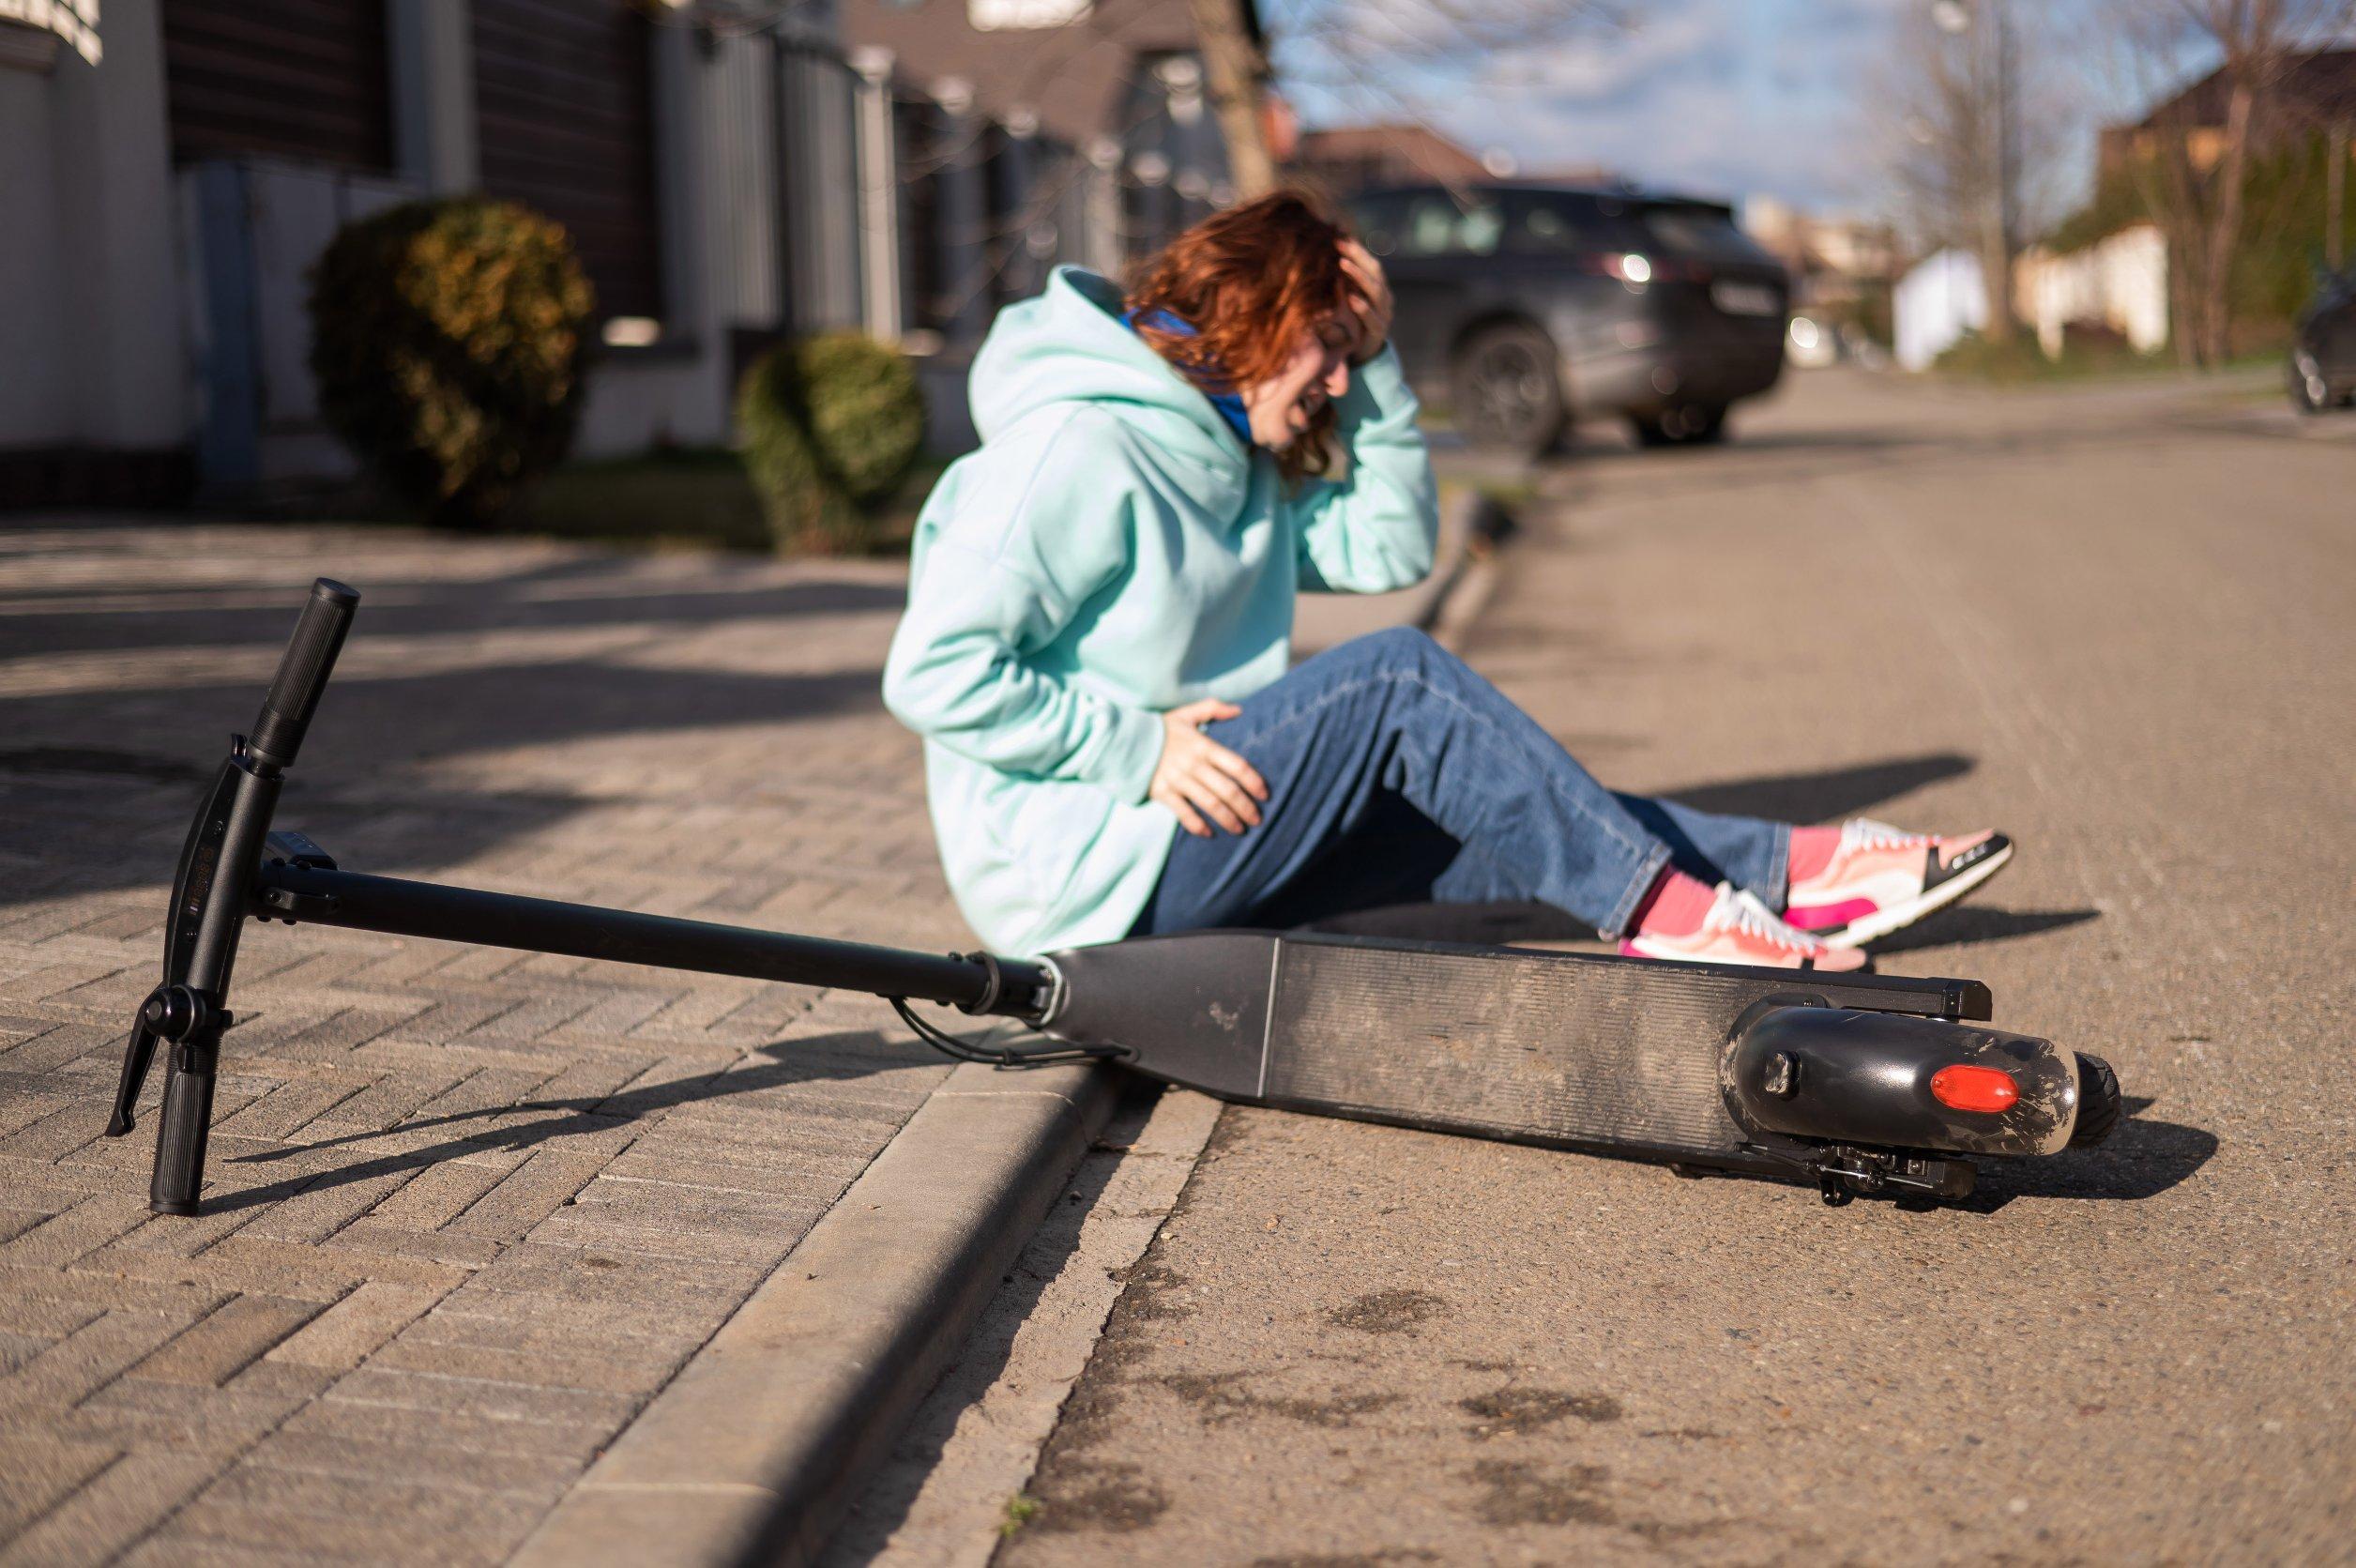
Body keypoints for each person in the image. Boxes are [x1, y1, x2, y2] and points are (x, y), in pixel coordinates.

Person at [882, 192, 2011, 969]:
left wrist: (1377, 375)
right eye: (1328, 344)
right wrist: (1137, 750)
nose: (1334, 379)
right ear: (1250, 315)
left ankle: (1794, 872)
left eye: (1348, 352)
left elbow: (1385, 556)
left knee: (1500, 804)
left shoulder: (1226, 457)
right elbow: (933, 673)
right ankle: (1679, 919)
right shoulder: (1073, 449)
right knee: (1398, 682)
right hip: (1078, 876)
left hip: (1172, 834)